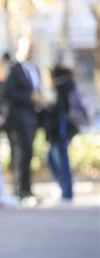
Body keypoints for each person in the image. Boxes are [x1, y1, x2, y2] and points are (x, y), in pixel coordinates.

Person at [3, 37, 46, 205]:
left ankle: (27, 189)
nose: (31, 51)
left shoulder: (35, 68)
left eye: (32, 47)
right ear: (19, 48)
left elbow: (37, 89)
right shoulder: (14, 69)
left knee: (28, 153)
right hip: (18, 117)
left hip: (33, 116)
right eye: (28, 47)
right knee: (20, 153)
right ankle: (19, 190)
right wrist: (30, 97)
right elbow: (9, 92)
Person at [45, 64, 79, 204]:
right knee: (52, 159)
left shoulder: (62, 89)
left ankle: (67, 194)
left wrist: (46, 108)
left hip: (62, 132)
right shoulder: (66, 87)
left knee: (62, 162)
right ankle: (64, 190)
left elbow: (59, 113)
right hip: (62, 132)